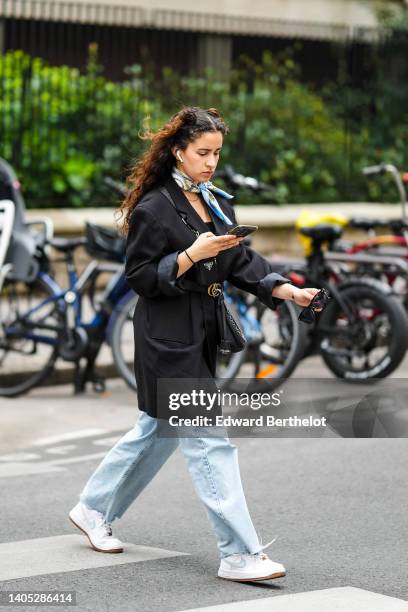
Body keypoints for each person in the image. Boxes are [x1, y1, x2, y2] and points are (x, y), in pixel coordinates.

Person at [69, 106, 320, 582]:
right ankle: (239, 554)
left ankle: (92, 508)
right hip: (167, 340)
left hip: (199, 334)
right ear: (178, 151)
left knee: (155, 433)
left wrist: (285, 289)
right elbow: (140, 278)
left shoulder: (216, 200)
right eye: (202, 153)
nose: (210, 162)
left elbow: (239, 257)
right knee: (208, 442)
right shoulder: (153, 208)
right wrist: (188, 255)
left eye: (216, 153)